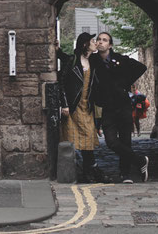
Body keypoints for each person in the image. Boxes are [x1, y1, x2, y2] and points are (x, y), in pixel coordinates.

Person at [90, 32, 150, 183]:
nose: (101, 42)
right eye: (99, 40)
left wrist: (124, 83)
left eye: (105, 40)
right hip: (108, 107)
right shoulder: (93, 60)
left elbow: (141, 67)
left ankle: (126, 174)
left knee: (125, 140)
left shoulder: (120, 60)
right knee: (110, 141)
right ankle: (140, 161)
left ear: (110, 45)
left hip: (123, 105)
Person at [55, 32, 107, 183]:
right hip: (73, 106)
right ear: (85, 44)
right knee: (73, 139)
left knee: (88, 138)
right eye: (93, 41)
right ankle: (85, 171)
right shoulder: (73, 61)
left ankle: (89, 170)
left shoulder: (94, 61)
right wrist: (64, 104)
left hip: (87, 106)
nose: (95, 42)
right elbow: (62, 83)